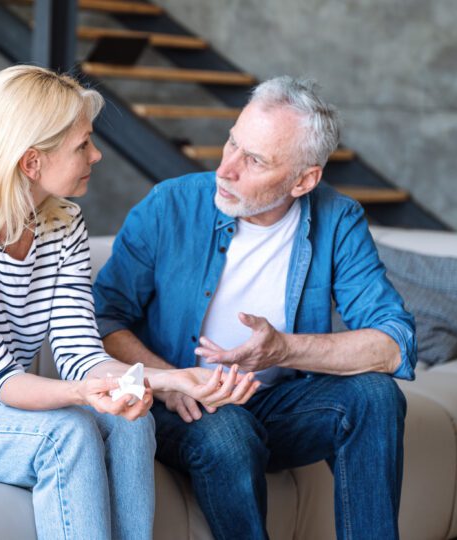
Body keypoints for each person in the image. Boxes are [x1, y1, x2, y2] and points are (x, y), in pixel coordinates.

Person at [0, 65, 259, 540]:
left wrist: (174, 380)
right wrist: (82, 395)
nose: (97, 154)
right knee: (67, 433)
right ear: (31, 162)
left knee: (130, 420)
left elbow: (79, 355)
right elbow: (2, 382)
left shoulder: (63, 225)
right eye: (82, 144)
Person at [93, 76, 417, 540]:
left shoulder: (338, 219)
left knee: (376, 396)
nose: (226, 169)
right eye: (231, 143)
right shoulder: (170, 205)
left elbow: (393, 344)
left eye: (255, 160)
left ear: (304, 179)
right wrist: (171, 383)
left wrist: (282, 349)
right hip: (179, 405)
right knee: (226, 432)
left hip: (279, 406)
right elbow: (104, 317)